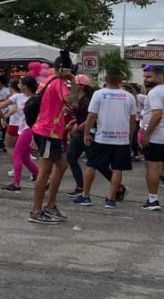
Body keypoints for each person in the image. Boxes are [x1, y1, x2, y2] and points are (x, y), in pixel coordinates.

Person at [74, 69, 137, 209]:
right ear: (120, 81)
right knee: (117, 169)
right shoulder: (129, 97)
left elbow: (91, 116)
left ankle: (85, 196)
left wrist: (86, 133)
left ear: (106, 80)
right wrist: (130, 137)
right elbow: (133, 120)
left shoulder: (99, 94)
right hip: (121, 139)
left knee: (91, 165)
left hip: (103, 137)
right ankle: (110, 199)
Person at [28, 50, 75, 224]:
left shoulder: (46, 81)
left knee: (62, 166)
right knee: (45, 171)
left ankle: (50, 205)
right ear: (62, 69)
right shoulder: (59, 83)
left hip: (47, 130)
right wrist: (74, 81)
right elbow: (72, 100)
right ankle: (36, 210)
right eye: (68, 68)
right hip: (49, 132)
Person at [0, 77, 40, 193]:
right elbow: (0, 105)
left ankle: (16, 183)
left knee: (17, 154)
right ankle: (39, 176)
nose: (18, 85)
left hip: (30, 129)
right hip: (22, 128)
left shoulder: (36, 99)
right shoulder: (18, 97)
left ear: (25, 86)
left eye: (20, 83)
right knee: (25, 157)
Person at [65, 75, 107, 199]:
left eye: (74, 84)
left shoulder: (88, 100)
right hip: (81, 132)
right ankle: (80, 187)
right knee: (73, 157)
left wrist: (79, 127)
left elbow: (91, 118)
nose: (72, 86)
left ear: (82, 86)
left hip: (88, 132)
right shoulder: (78, 98)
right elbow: (80, 116)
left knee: (95, 162)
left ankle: (119, 187)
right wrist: (73, 123)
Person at [139, 65, 163, 210]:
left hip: (157, 137)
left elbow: (157, 114)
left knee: (152, 166)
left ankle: (153, 199)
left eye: (149, 77)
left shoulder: (155, 92)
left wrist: (146, 135)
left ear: (160, 76)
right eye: (145, 77)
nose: (145, 80)